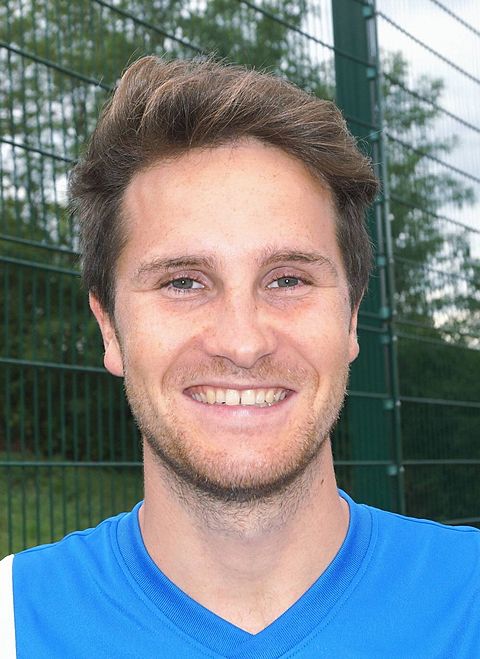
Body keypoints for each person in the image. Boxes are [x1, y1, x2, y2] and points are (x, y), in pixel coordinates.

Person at [1, 56, 479, 659]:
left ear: (352, 318)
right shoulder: (12, 622)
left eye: (288, 280)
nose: (243, 342)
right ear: (110, 329)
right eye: (182, 282)